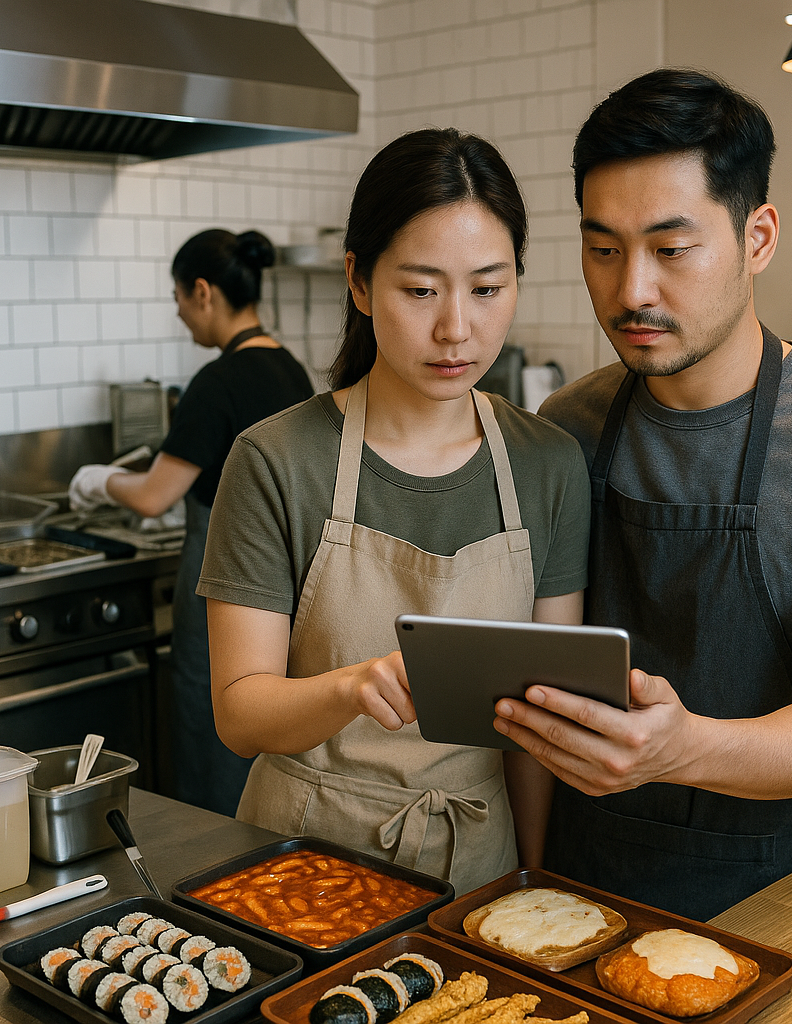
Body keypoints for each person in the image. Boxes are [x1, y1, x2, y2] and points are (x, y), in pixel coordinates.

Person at [492, 68, 792, 920]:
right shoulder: (569, 424)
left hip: (784, 897)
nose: (631, 291)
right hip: (579, 887)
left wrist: (681, 747)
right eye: (602, 249)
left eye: (670, 249)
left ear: (759, 237)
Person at [196, 128, 591, 894]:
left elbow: (538, 727)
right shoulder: (277, 459)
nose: (456, 328)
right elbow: (240, 714)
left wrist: (531, 881)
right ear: (359, 281)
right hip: (303, 863)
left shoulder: (549, 465)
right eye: (420, 290)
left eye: (487, 287)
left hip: (477, 862)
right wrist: (352, 688)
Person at [69, 229, 315, 816]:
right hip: (295, 589)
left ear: (203, 291)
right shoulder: (291, 371)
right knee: (270, 745)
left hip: (223, 590)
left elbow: (155, 495)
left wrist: (98, 480)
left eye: (178, 297)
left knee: (215, 743)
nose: (180, 314)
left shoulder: (217, 382)